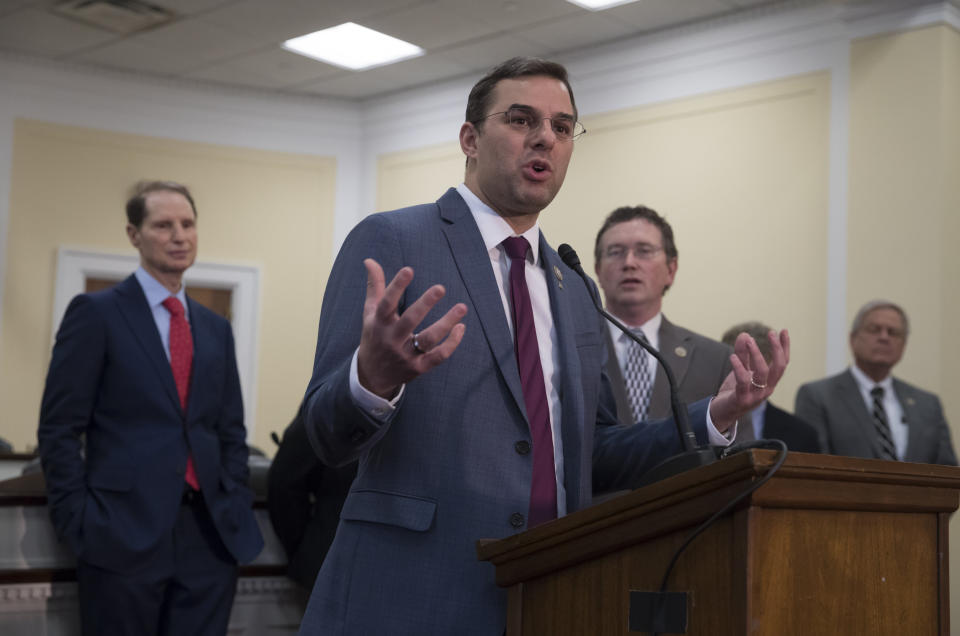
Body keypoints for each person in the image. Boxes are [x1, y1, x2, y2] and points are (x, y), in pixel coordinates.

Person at [298, 57, 789, 635]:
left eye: (562, 126)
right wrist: (371, 379)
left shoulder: (573, 285)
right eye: (521, 118)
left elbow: (596, 450)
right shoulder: (396, 238)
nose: (544, 138)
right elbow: (324, 435)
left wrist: (716, 415)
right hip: (413, 592)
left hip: (551, 591)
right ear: (469, 138)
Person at [37, 180, 263, 635]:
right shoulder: (96, 313)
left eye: (188, 224)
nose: (179, 235)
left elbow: (230, 430)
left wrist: (234, 495)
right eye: (163, 225)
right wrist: (77, 521)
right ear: (133, 234)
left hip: (209, 536)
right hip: (119, 534)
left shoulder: (215, 328)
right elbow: (59, 427)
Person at [593, 205, 732, 425]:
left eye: (644, 251)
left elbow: (740, 454)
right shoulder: (572, 348)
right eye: (615, 252)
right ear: (598, 270)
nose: (629, 263)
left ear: (671, 269)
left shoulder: (716, 360)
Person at [794, 300, 956, 464]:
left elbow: (948, 473)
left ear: (903, 345)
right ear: (852, 339)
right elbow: (813, 467)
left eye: (893, 332)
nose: (884, 337)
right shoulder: (818, 396)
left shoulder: (928, 405)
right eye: (874, 330)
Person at [267, 404, 356, 590]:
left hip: (331, 558)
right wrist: (304, 548)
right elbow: (285, 483)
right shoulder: (340, 389)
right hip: (330, 561)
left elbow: (285, 478)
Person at [721, 321, 820, 452]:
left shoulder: (802, 433)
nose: (745, 380)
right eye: (737, 369)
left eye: (756, 371)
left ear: (775, 368)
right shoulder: (699, 422)